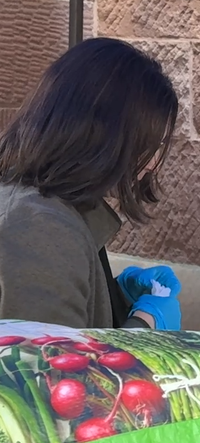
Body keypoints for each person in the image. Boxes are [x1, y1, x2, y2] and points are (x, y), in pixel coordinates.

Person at [0, 37, 183, 331]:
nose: (153, 164)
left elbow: (62, 319)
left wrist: (115, 295)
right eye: (151, 145)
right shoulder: (41, 226)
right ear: (104, 136)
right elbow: (54, 368)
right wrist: (146, 326)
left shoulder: (49, 207)